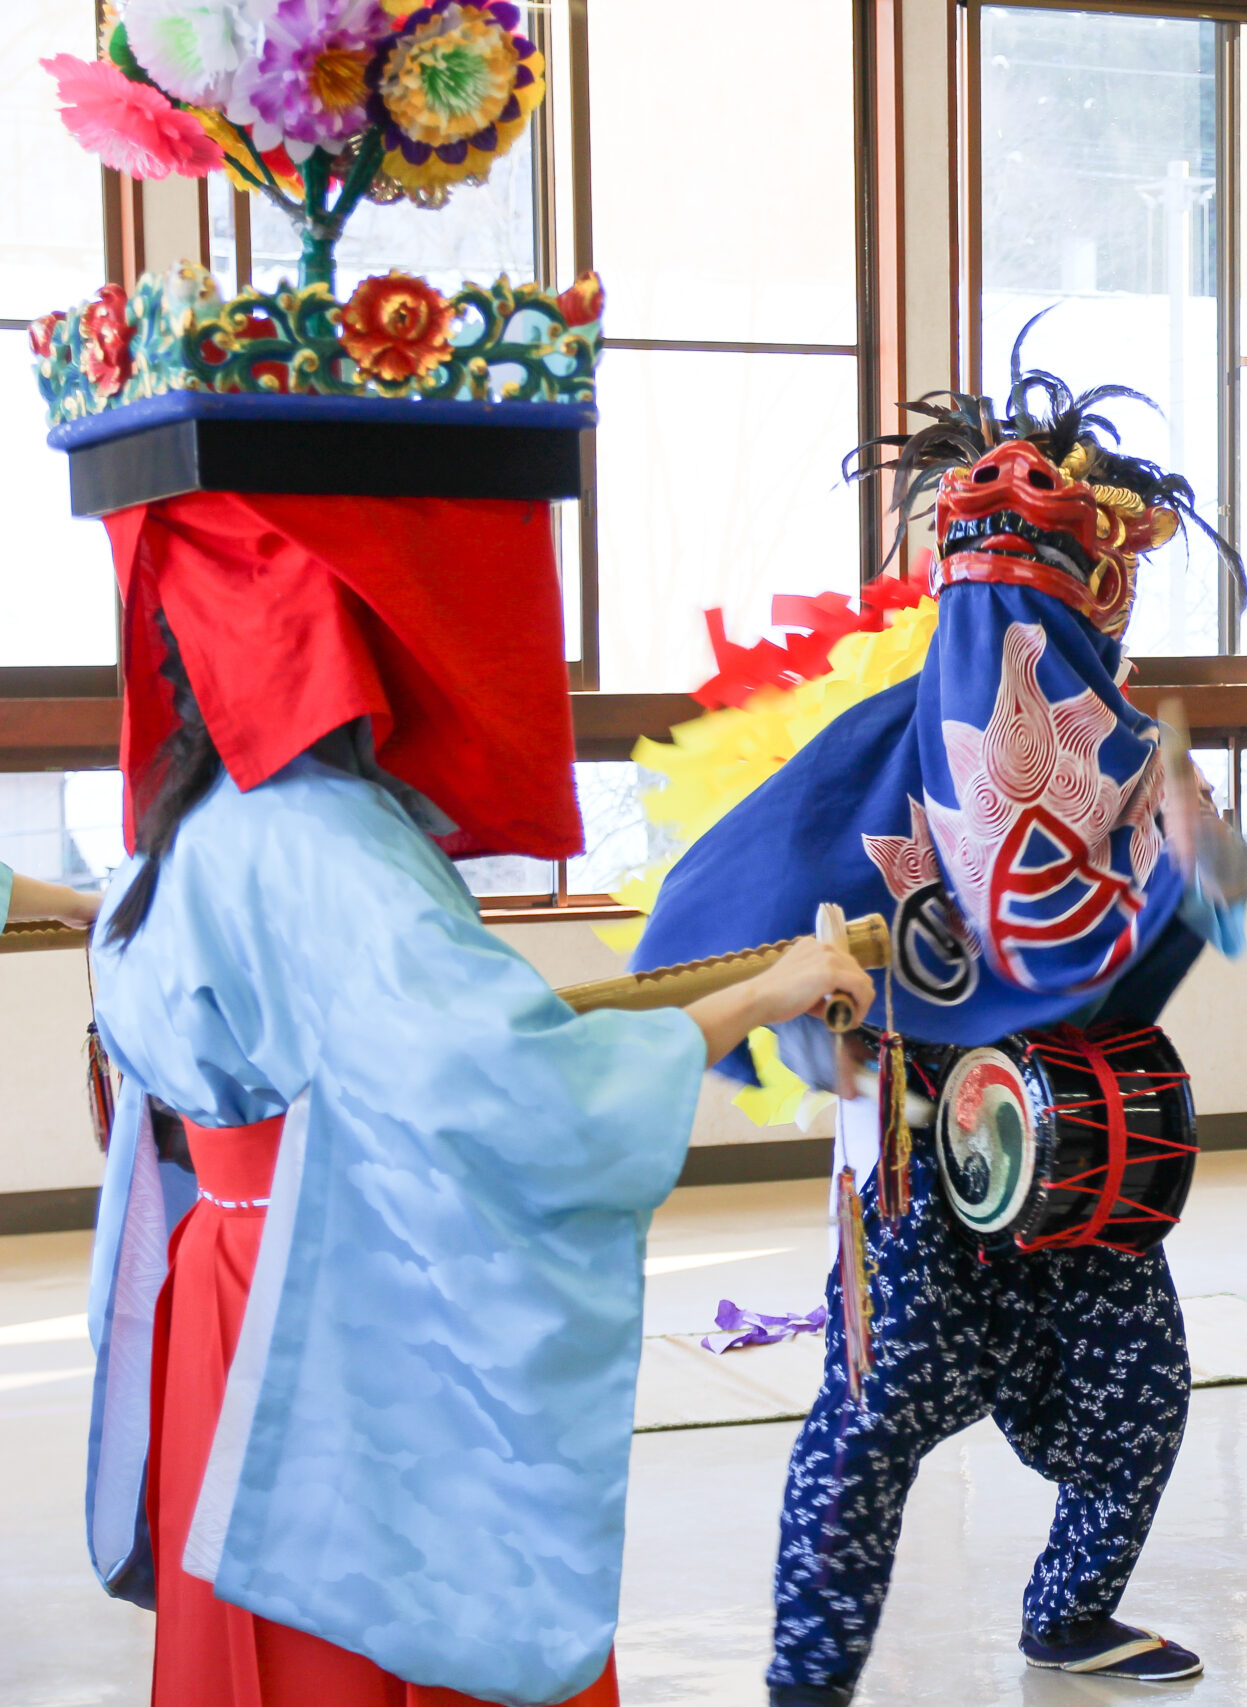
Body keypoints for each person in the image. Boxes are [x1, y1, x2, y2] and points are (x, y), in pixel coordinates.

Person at [84, 490, 873, 1706]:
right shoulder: (324, 837)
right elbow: (524, 1094)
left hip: (225, 1280)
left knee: (256, 1647)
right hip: (338, 1294)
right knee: (375, 1642)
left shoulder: (176, 822)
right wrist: (768, 994)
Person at [631, 354, 1247, 1703]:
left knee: (1140, 1398)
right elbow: (739, 924)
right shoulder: (881, 739)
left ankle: (1070, 1612)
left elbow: (1119, 979)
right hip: (916, 1157)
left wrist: (1202, 890)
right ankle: (809, 1679)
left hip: (1072, 1152)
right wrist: (817, 1021)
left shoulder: (1138, 761)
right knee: (868, 1427)